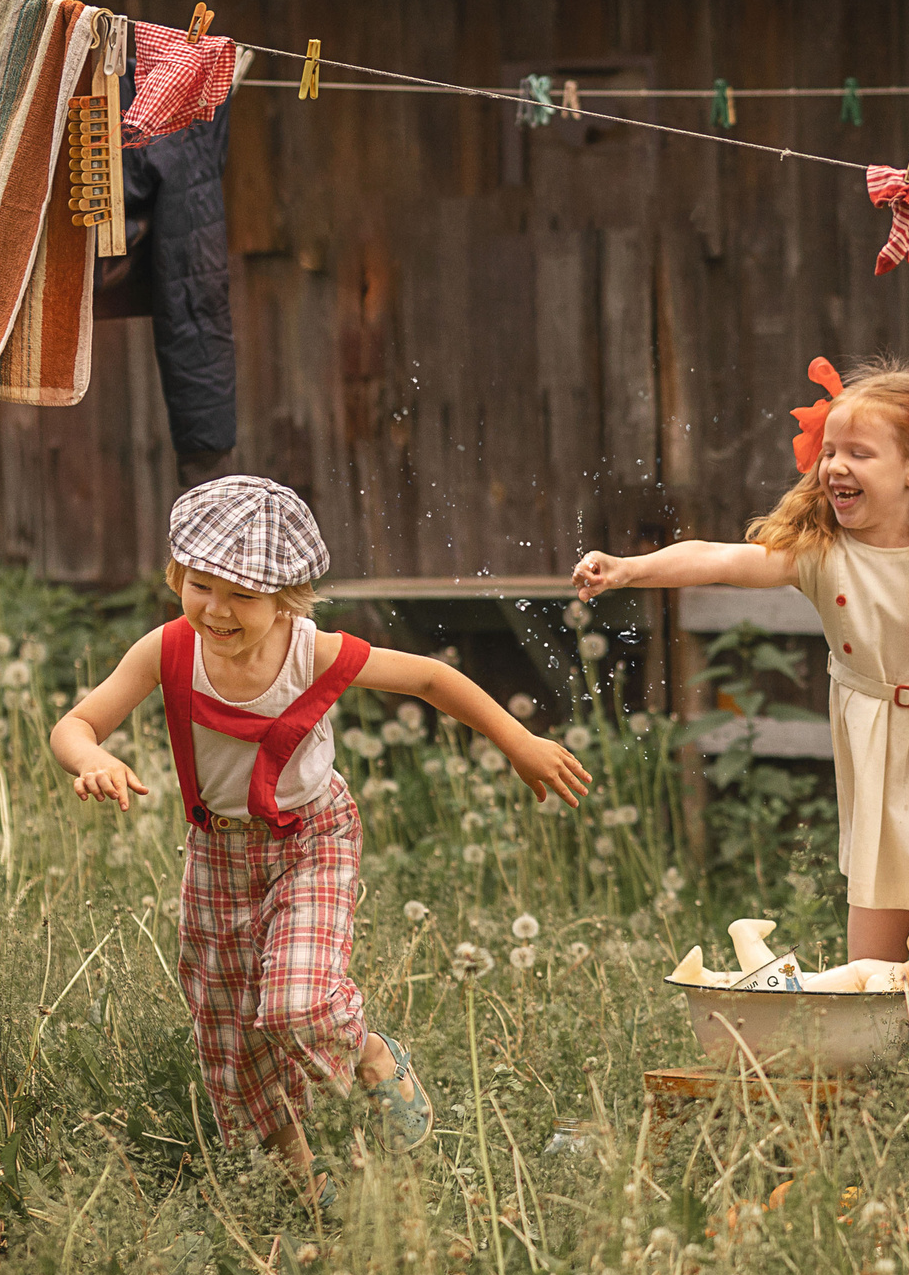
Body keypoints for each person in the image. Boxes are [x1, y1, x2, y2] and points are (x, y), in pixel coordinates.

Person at [49, 477, 593, 1203]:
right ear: (179, 576)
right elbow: (73, 726)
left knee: (295, 1007)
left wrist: (518, 740)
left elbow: (430, 679)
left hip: (312, 839)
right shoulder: (167, 650)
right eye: (201, 584)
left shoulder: (312, 654)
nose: (217, 608)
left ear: (286, 598)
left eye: (242, 594)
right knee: (231, 1038)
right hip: (217, 854)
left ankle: (370, 1053)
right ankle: (311, 1187)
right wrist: (93, 759)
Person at [574, 347, 909, 962]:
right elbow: (719, 558)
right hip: (880, 774)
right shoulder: (821, 554)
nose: (835, 467)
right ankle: (880, 1052)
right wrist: (630, 569)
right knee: (872, 965)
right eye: (830, 452)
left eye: (858, 453)